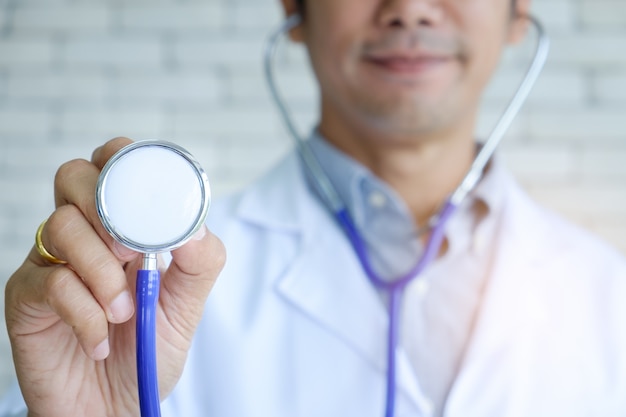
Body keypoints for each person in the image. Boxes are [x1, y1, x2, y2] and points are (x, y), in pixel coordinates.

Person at [2, 0, 626, 416]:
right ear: (294, 8)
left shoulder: (610, 298)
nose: (408, 7)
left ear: (519, 12)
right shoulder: (134, 302)